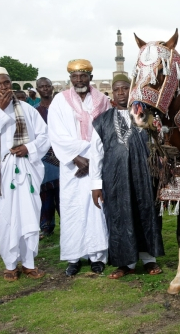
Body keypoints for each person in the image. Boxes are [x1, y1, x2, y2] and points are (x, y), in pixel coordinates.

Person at [90, 74, 164, 278]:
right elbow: (95, 154)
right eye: (117, 89)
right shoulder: (101, 121)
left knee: (145, 214)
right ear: (112, 93)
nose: (121, 93)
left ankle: (149, 260)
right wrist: (96, 185)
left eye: (125, 88)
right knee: (119, 217)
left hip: (144, 177)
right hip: (115, 179)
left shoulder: (145, 116)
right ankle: (126, 263)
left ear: (132, 91)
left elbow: (159, 147)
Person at [48, 59, 111, 276]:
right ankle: (74, 258)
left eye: (83, 76)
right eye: (74, 76)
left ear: (90, 77)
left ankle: (97, 256)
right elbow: (56, 134)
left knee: (97, 209)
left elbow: (107, 132)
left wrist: (93, 159)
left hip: (96, 164)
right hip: (72, 167)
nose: (78, 80)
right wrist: (77, 157)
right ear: (70, 79)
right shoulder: (59, 101)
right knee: (72, 209)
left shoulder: (103, 101)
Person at [0, 67, 49, 281]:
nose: (3, 87)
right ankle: (10, 265)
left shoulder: (26, 108)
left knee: (29, 215)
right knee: (3, 218)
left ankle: (29, 264)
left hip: (26, 170)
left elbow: (43, 135)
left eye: (6, 82)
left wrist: (28, 149)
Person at [34, 77, 61, 239]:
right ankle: (46, 226)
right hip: (43, 159)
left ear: (52, 88)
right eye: (41, 87)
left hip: (63, 157)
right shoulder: (34, 111)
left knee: (63, 195)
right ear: (37, 89)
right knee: (45, 195)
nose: (45, 89)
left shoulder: (61, 108)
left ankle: (68, 224)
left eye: (47, 86)